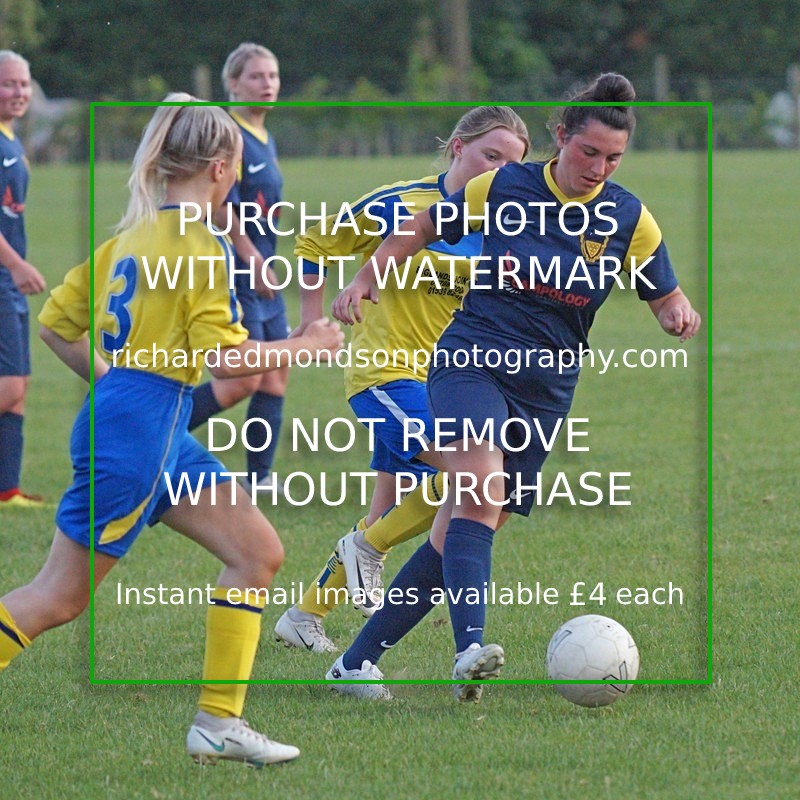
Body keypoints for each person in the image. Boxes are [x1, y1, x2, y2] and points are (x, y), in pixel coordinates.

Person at [327, 73, 701, 701]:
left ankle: (354, 665)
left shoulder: (629, 216)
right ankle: (469, 649)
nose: (599, 167)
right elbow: (421, 228)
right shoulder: (504, 186)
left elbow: (665, 293)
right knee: (478, 492)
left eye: (613, 158)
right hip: (472, 359)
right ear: (561, 138)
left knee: (463, 528)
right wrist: (365, 278)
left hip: (547, 389)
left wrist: (676, 315)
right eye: (589, 152)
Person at [0, 95, 343, 765]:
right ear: (219, 169)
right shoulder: (201, 244)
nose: (239, 181)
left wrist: (118, 388)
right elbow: (227, 359)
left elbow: (54, 327)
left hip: (148, 421)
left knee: (257, 552)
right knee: (57, 598)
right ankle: (219, 722)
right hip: (139, 432)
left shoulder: (128, 236)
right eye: (238, 170)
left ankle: (219, 724)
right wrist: (310, 345)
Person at [273, 107, 530, 655]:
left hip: (451, 383)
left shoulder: (503, 221)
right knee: (476, 480)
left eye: (512, 164)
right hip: (386, 375)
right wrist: (311, 317)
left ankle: (304, 614)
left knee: (391, 511)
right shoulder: (400, 203)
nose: (499, 171)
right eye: (491, 155)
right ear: (458, 147)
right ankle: (366, 548)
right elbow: (315, 242)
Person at [187, 43, 289, 493]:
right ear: (231, 84)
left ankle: (258, 479)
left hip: (266, 269)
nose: (266, 83)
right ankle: (149, 435)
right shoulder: (229, 134)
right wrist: (251, 257)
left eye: (272, 75)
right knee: (241, 379)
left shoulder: (264, 135)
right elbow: (221, 204)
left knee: (275, 375)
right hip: (241, 271)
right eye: (255, 76)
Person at [0, 50, 47, 508]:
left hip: (8, 282)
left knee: (18, 389)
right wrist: (15, 263)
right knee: (9, 386)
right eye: (8, 84)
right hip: (1, 277)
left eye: (23, 84)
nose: (18, 92)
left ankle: (6, 491)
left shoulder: (10, 139)